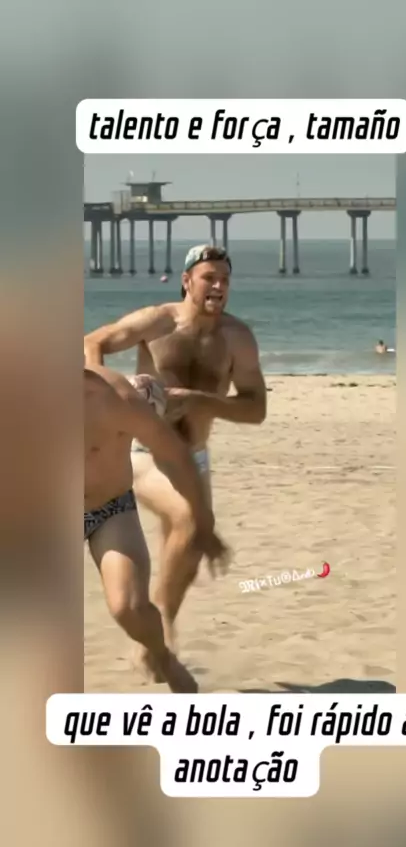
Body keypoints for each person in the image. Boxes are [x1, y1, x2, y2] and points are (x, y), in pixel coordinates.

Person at [84, 244, 267, 650]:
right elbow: (93, 342)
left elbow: (256, 409)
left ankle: (160, 622)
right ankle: (159, 637)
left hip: (195, 455)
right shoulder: (157, 322)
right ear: (186, 281)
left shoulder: (237, 338)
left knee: (187, 547)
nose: (218, 286)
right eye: (209, 278)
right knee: (190, 520)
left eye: (225, 280)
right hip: (145, 452)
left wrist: (203, 401)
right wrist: (106, 396)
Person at [84, 362, 228, 692]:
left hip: (109, 510)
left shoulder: (116, 397)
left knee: (129, 608)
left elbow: (174, 454)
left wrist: (202, 520)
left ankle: (162, 656)